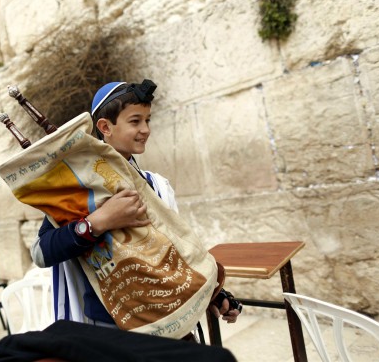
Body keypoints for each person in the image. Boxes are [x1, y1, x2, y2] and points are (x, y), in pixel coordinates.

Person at [31, 80, 241, 337]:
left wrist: (215, 295)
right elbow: (41, 253)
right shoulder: (78, 192)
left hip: (174, 322)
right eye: (135, 121)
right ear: (105, 127)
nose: (145, 129)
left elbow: (181, 253)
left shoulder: (158, 186)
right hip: (114, 333)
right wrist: (98, 222)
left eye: (148, 120)